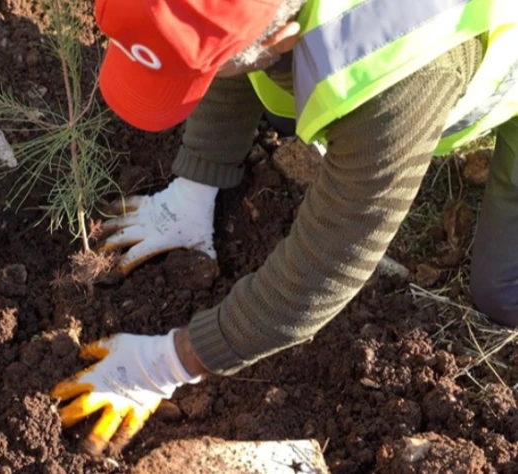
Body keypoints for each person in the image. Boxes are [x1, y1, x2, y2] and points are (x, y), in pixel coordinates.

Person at [50, 0, 518, 456]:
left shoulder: (396, 75)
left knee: (502, 293)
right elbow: (220, 36)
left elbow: (331, 260)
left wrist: (171, 362)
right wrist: (196, 183)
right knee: (280, 92)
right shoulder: (270, 21)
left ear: (280, 33)